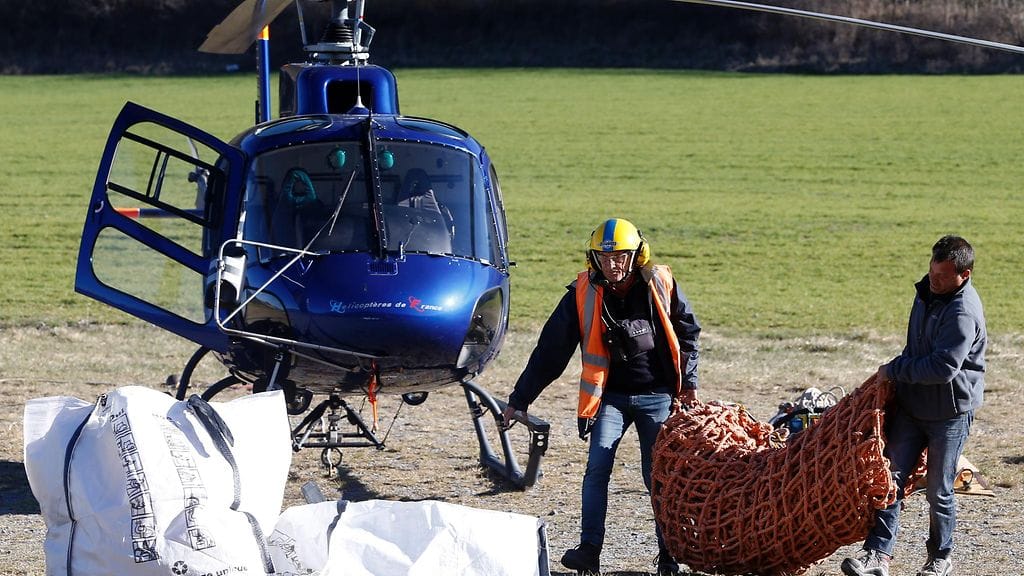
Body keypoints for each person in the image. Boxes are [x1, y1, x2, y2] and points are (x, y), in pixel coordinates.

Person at [501, 218, 701, 575]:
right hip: (609, 399)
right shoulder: (581, 292)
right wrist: (520, 398)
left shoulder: (660, 283)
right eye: (605, 257)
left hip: (658, 396)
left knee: (659, 476)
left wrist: (688, 385)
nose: (613, 265)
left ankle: (669, 557)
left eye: (621, 256)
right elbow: (551, 350)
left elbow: (688, 335)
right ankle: (589, 551)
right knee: (596, 470)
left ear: (637, 255)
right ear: (594, 258)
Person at [842, 235, 987, 576]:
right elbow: (914, 347)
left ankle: (940, 557)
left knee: (938, 490)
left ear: (964, 275)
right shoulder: (926, 293)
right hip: (912, 407)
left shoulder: (963, 312)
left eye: (941, 277)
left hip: (949, 414)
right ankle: (878, 556)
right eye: (931, 272)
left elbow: (943, 367)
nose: (933, 281)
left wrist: (893, 370)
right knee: (888, 479)